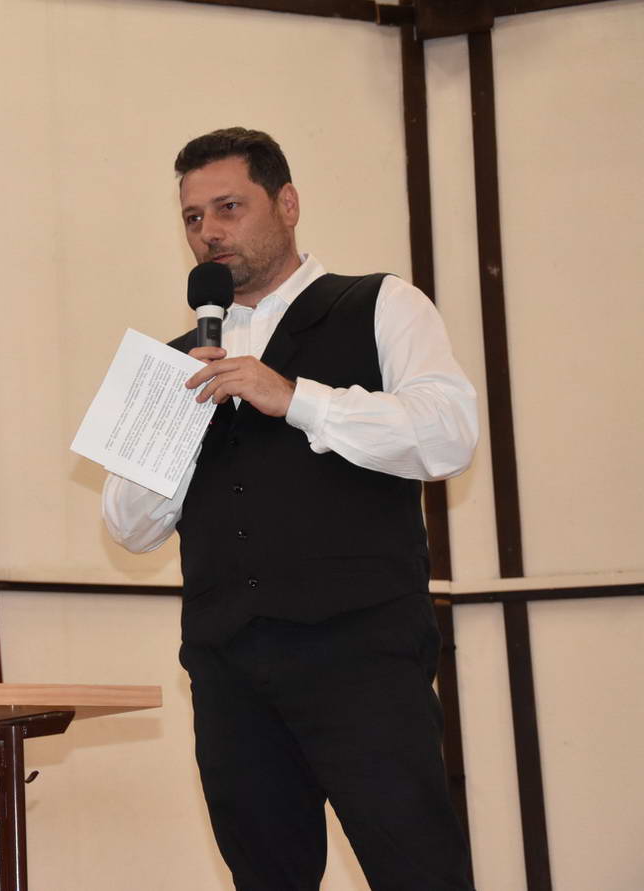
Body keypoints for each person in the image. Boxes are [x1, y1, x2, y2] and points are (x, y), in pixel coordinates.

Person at [102, 128, 478, 889]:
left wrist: (296, 398)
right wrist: (174, 423)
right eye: (193, 217)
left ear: (288, 203)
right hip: (229, 669)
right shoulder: (171, 358)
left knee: (418, 870)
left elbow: (449, 434)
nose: (209, 231)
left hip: (363, 656)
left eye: (229, 207)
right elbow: (127, 526)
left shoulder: (381, 302)